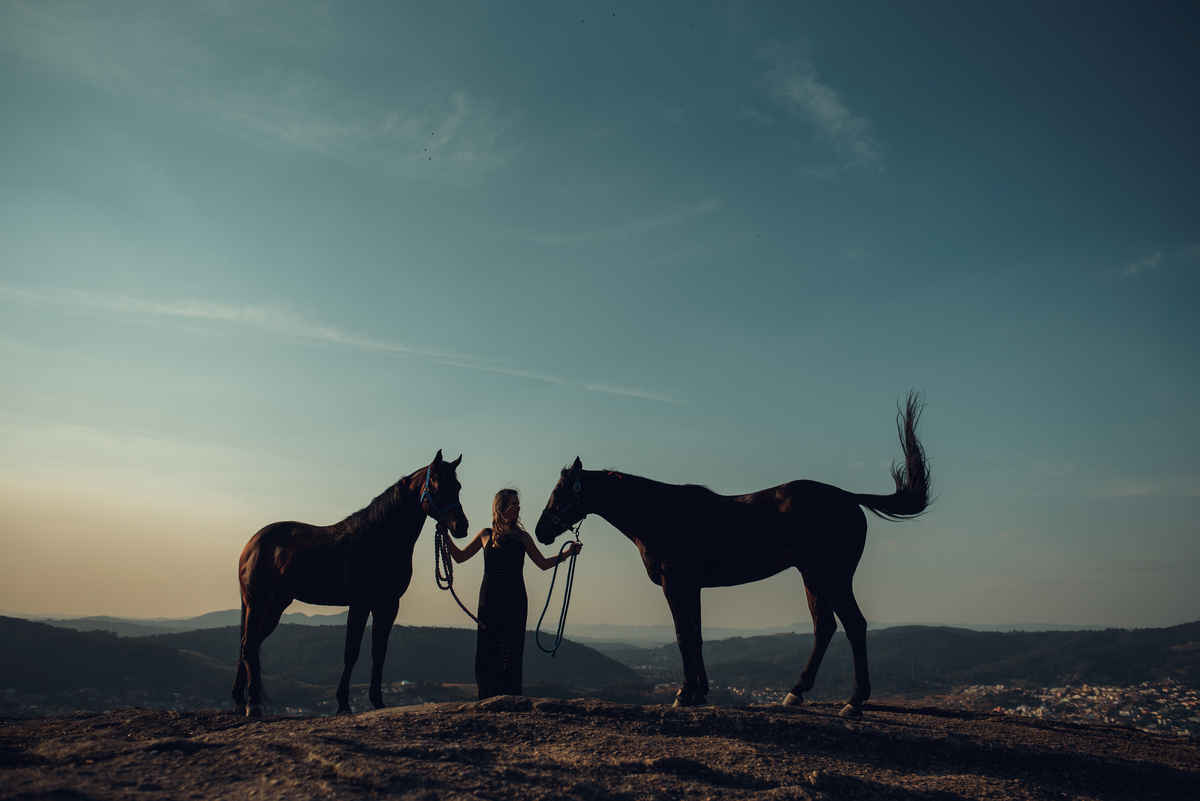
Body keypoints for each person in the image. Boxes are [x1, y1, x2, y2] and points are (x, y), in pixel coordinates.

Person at [443, 488, 582, 700]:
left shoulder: (523, 537)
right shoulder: (485, 535)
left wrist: (567, 553)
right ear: (502, 507)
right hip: (489, 599)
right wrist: (445, 535)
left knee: (512, 650)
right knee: (488, 650)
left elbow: (543, 563)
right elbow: (460, 557)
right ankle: (486, 698)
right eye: (514, 503)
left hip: (515, 599)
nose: (518, 507)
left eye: (518, 503)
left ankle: (510, 697)